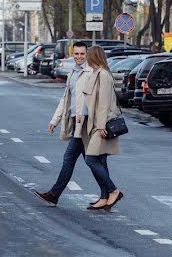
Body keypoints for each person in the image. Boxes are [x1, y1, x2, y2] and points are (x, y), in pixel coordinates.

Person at [33, 41, 89, 206]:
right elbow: (66, 98)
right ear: (73, 54)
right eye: (77, 54)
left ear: (87, 55)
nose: (79, 57)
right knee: (93, 161)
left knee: (70, 157)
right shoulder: (72, 73)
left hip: (84, 122)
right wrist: (54, 120)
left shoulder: (90, 73)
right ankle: (110, 191)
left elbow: (94, 99)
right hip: (74, 121)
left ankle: (54, 194)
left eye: (82, 54)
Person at [76, 45, 124, 210]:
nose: (86, 58)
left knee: (91, 159)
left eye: (88, 55)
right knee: (101, 160)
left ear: (94, 57)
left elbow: (103, 102)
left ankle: (114, 190)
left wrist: (101, 126)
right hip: (95, 122)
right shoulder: (96, 73)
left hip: (101, 125)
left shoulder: (103, 75)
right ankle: (104, 197)